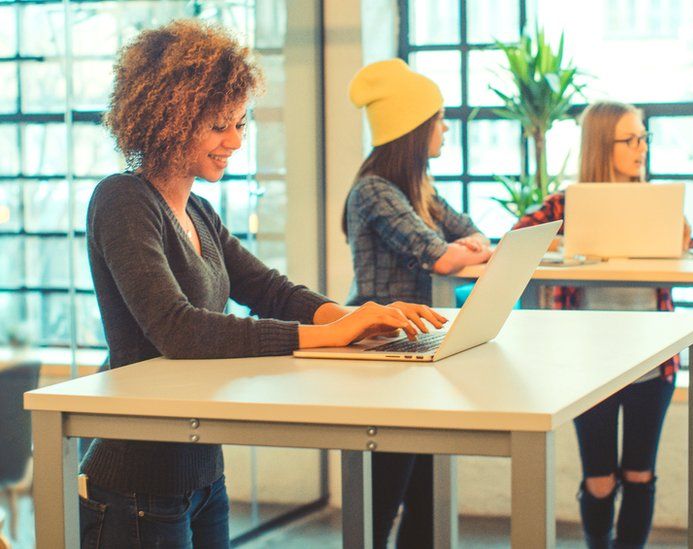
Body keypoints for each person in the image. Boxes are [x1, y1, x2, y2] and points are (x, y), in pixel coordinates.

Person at [81, 22, 440, 549]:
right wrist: (335, 334)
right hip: (138, 482)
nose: (235, 141)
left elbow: (270, 290)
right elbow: (179, 331)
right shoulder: (122, 200)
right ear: (170, 120)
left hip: (201, 474)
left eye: (240, 123)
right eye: (219, 125)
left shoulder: (199, 211)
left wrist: (361, 317)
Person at [513, 101, 687, 549]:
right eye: (630, 140)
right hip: (588, 366)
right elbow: (518, 239)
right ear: (600, 144)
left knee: (640, 473)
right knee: (600, 479)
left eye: (644, 137)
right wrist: (574, 238)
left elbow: (684, 243)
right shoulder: (565, 204)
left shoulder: (657, 202)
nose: (641, 148)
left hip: (655, 361)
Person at [344, 58, 492, 547]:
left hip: (418, 345)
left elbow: (472, 234)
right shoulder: (372, 191)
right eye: (438, 120)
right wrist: (461, 250)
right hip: (382, 352)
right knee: (388, 488)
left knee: (426, 487)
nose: (445, 129)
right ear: (412, 129)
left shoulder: (420, 188)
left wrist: (466, 247)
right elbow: (440, 256)